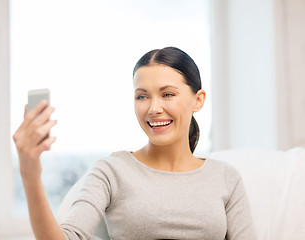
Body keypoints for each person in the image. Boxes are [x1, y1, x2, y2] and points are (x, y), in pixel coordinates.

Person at [13, 47, 257, 240]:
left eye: (167, 94)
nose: (153, 109)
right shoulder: (111, 171)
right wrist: (30, 174)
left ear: (198, 100)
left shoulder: (225, 178)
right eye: (142, 96)